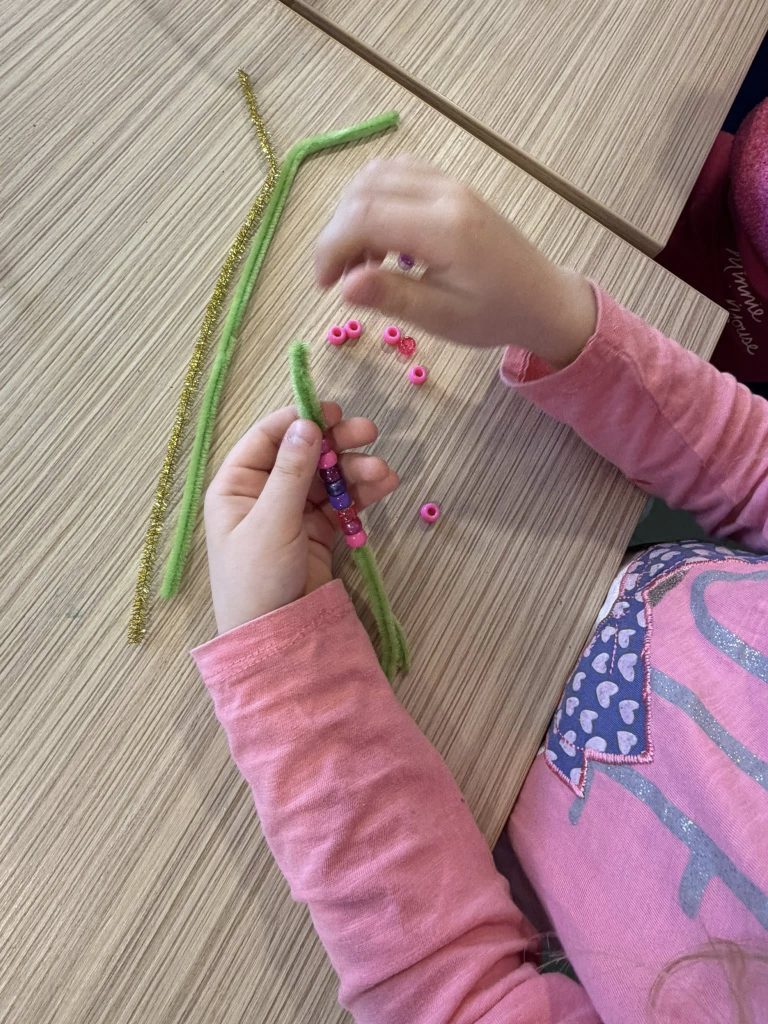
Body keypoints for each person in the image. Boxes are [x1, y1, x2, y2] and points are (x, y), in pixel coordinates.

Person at [193, 159, 768, 1023]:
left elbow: (453, 995)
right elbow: (753, 471)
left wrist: (283, 663)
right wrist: (559, 320)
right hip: (579, 584)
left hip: (476, 774)